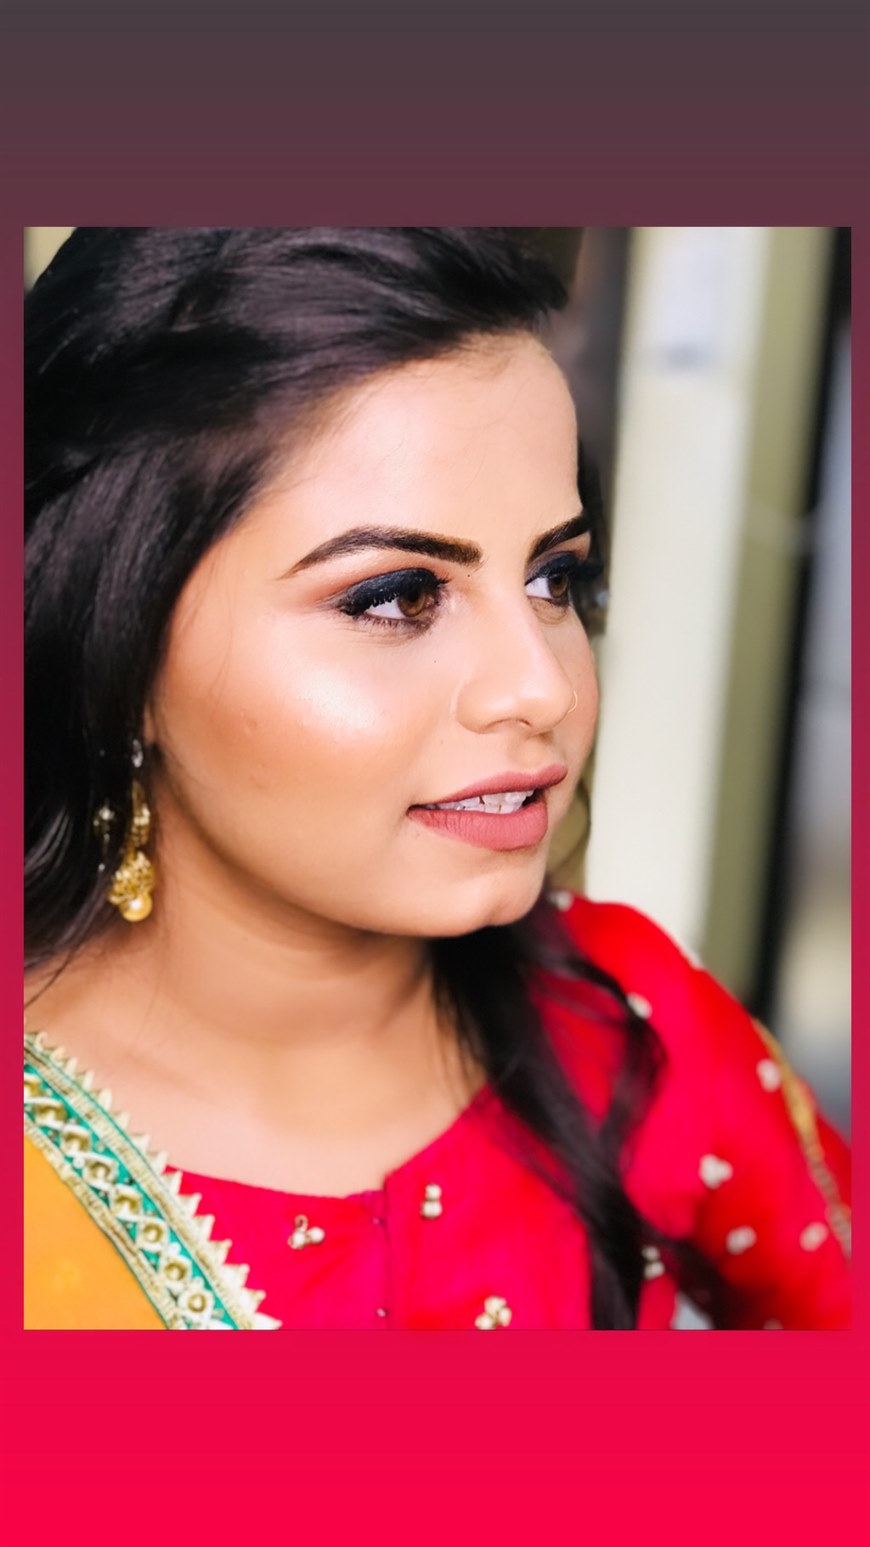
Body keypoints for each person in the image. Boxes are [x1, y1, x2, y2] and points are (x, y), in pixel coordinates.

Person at [24, 227, 851, 1331]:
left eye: (554, 579)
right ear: (113, 649)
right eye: (398, 596)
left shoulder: (623, 1023)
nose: (541, 685)